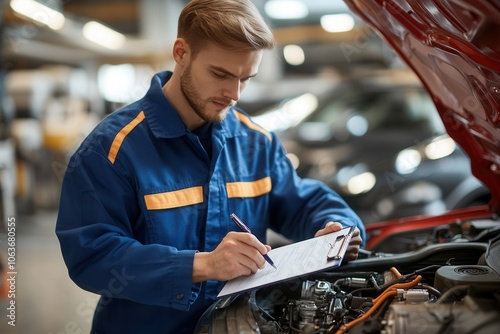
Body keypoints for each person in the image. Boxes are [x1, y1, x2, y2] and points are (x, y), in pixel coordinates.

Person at [55, 0, 365, 333]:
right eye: (220, 74)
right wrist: (201, 265)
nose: (233, 94)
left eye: (246, 79)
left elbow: (304, 200)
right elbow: (93, 256)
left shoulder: (255, 143)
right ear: (181, 52)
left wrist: (336, 227)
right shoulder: (111, 150)